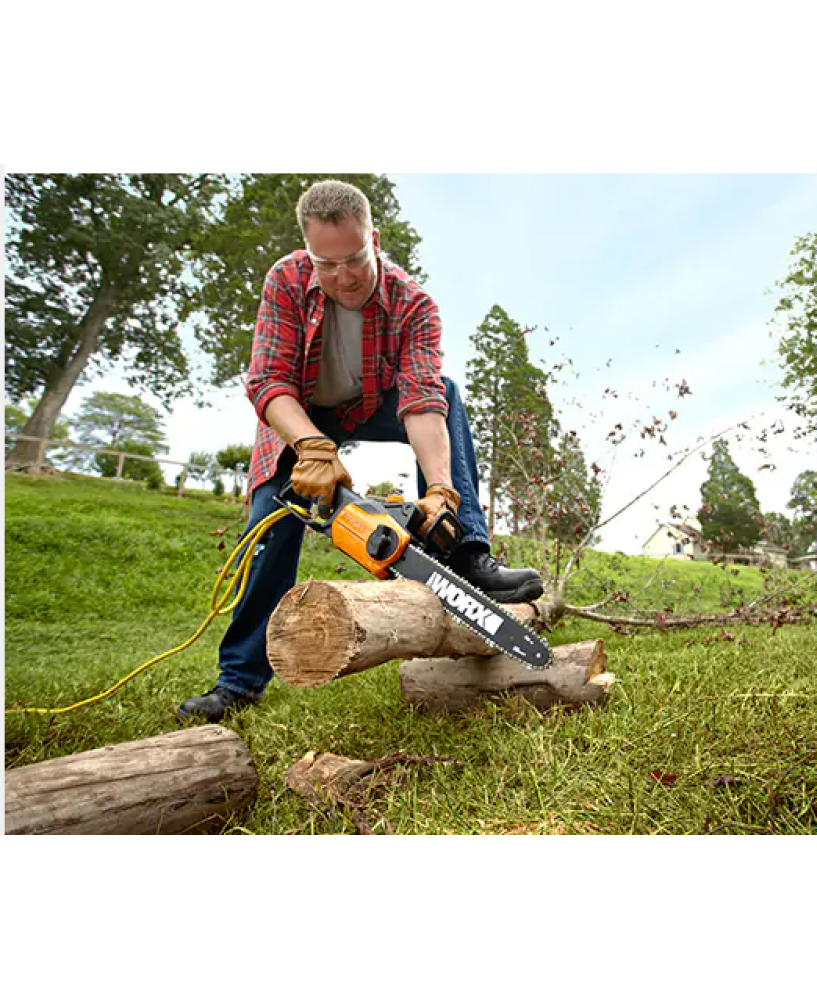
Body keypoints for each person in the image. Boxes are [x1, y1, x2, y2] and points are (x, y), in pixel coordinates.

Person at [178, 180, 543, 722]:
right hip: (302, 414)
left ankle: (465, 550)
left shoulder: (412, 303)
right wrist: (311, 447)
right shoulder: (285, 279)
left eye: (355, 260)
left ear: (374, 239)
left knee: (446, 390)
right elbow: (267, 381)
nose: (343, 277)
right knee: (269, 522)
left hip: (372, 402)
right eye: (327, 265)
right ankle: (238, 682)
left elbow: (420, 398)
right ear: (308, 252)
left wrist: (440, 486)